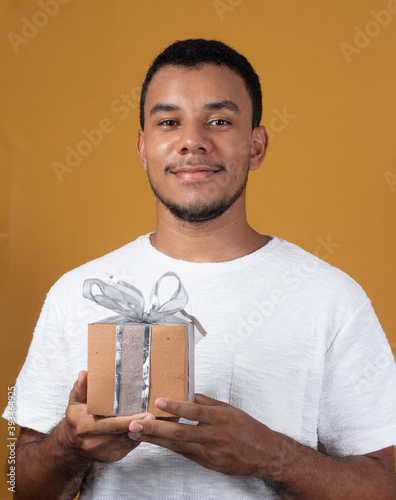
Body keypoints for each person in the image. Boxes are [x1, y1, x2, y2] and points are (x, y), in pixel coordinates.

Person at [4, 39, 396, 500]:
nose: (192, 140)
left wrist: (270, 455)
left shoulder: (330, 298)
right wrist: (70, 447)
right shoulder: (77, 293)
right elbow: (16, 479)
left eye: (219, 121)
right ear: (143, 146)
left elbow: (387, 482)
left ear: (256, 145)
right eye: (169, 122)